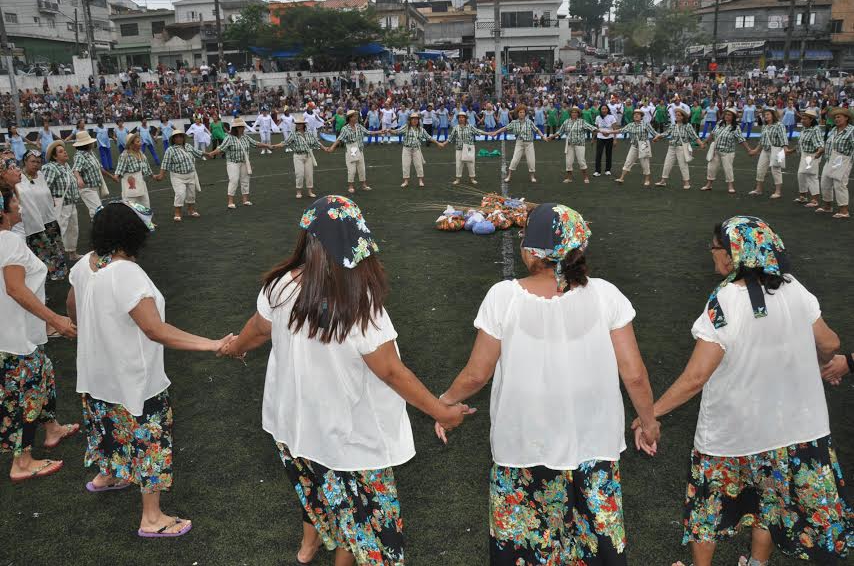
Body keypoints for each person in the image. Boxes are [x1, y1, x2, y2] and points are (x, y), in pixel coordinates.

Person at [219, 195, 471, 564]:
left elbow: (257, 331)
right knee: (372, 531)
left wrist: (235, 347)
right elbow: (390, 370)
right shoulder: (359, 301)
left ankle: (315, 546)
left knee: (327, 503)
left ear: (308, 239)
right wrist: (443, 412)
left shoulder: (279, 286)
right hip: (349, 441)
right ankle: (326, 547)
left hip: (296, 428)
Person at [437, 203, 659, 565]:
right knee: (594, 548)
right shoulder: (606, 294)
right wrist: (648, 423)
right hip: (593, 447)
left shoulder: (504, 297)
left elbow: (477, 374)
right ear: (579, 249)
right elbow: (634, 373)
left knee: (526, 548)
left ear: (529, 250)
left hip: (524, 448)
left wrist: (444, 402)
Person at [648, 216, 851, 566]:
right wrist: (826, 361)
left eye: (714, 248)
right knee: (768, 503)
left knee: (708, 510)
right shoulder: (793, 287)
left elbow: (696, 377)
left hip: (734, 433)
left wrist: (650, 413)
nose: (711, 255)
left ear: (731, 256)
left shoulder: (725, 300)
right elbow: (830, 341)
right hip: (796, 429)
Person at [67, 201, 231, 537]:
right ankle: (152, 518)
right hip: (132, 376)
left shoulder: (88, 265)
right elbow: (154, 329)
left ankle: (108, 475)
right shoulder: (126, 271)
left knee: (109, 426)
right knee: (150, 440)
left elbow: (72, 304)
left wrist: (93, 328)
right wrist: (211, 343)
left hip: (98, 372)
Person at [0, 172, 79, 484]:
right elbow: (16, 290)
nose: (19, 206)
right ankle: (22, 462)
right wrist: (54, 319)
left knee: (42, 377)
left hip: (16, 331)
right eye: (14, 201)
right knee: (24, 396)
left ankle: (52, 429)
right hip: (15, 336)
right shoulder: (9, 241)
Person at [14, 151, 67, 281]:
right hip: (34, 221)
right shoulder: (19, 178)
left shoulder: (41, 176)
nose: (36, 164)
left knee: (55, 246)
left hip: (49, 218)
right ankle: (48, 273)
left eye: (38, 162)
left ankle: (60, 270)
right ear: (25, 161)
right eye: (32, 161)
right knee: (43, 249)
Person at [206, 117, 273, 210]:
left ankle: (245, 200)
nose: (243, 128)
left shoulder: (246, 137)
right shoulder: (229, 138)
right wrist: (212, 153)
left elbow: (256, 143)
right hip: (233, 163)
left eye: (242, 126)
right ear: (236, 128)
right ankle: (230, 202)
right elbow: (221, 148)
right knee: (234, 180)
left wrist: (267, 145)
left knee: (245, 180)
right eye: (241, 126)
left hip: (244, 162)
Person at [42, 141, 83, 261]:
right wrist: (50, 203)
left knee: (72, 230)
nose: (65, 152)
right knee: (58, 232)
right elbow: (45, 188)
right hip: (59, 205)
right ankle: (54, 260)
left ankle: (72, 253)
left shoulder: (66, 166)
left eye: (63, 150)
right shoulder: (50, 167)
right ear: (54, 156)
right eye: (60, 151)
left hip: (71, 204)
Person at [383, 112, 444, 188]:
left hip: (416, 149)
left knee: (419, 165)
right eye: (413, 119)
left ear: (418, 120)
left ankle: (420, 180)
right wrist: (389, 130)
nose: (415, 120)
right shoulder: (406, 127)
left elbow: (429, 137)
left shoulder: (421, 129)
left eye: (416, 119)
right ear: (410, 120)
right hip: (406, 149)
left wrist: (438, 143)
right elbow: (397, 132)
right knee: (405, 165)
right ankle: (406, 181)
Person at [155, 130, 204, 222]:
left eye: (180, 136)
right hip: (177, 176)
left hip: (191, 175)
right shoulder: (170, 150)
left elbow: (198, 153)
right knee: (180, 194)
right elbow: (165, 163)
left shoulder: (188, 146)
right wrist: (161, 175)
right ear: (173, 139)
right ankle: (177, 213)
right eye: (176, 137)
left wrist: (209, 154)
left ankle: (191, 210)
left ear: (183, 137)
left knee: (191, 194)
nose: (179, 138)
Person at [491, 106, 549, 184]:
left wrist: (543, 137)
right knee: (514, 160)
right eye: (520, 112)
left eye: (523, 112)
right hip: (519, 143)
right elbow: (505, 128)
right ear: (517, 113)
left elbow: (537, 129)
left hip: (529, 143)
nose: (522, 114)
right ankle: (509, 176)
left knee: (531, 161)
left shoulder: (529, 122)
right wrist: (496, 132)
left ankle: (532, 176)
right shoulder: (514, 122)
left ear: (525, 113)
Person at [275, 115, 328, 199]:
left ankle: (310, 191)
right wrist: (275, 146)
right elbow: (285, 142)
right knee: (299, 174)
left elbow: (316, 142)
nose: (299, 125)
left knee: (309, 174)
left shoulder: (309, 133)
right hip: (298, 156)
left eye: (300, 124)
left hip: (308, 156)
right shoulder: (293, 134)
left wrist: (324, 148)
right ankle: (298, 191)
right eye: (297, 124)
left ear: (304, 125)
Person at [815, 106, 854, 219]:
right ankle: (827, 206)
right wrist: (820, 152)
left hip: (843, 159)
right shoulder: (833, 129)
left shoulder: (851, 130)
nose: (836, 119)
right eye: (835, 117)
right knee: (825, 182)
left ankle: (844, 211)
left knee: (840, 184)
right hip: (830, 158)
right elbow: (828, 143)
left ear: (846, 118)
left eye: (839, 117)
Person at [701, 108, 752, 194]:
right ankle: (709, 185)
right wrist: (705, 142)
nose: (727, 116)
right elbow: (712, 133)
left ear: (733, 117)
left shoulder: (735, 127)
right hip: (716, 150)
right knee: (711, 168)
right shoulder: (719, 123)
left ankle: (730, 186)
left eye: (729, 115)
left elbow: (741, 139)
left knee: (728, 169)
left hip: (728, 152)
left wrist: (749, 150)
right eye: (726, 114)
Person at [655, 107, 705, 190]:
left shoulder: (687, 126)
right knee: (667, 164)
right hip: (671, 147)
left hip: (681, 148)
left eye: (678, 115)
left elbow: (694, 136)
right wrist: (658, 137)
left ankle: (686, 182)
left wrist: (701, 144)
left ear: (683, 117)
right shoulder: (673, 125)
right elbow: (666, 133)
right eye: (676, 115)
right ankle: (663, 181)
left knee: (683, 165)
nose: (676, 116)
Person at [611, 109, 662, 187]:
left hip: (643, 146)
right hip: (634, 146)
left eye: (638, 114)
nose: (636, 115)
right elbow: (621, 130)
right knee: (628, 161)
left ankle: (647, 179)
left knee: (645, 164)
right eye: (635, 114)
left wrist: (657, 138)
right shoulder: (630, 125)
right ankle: (621, 178)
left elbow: (655, 133)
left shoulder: (646, 124)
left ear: (641, 116)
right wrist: (609, 132)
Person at [548, 106, 598, 184]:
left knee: (581, 161)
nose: (574, 113)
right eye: (572, 112)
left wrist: (599, 133)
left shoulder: (582, 121)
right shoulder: (566, 122)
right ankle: (569, 177)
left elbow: (592, 128)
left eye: (576, 112)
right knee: (568, 162)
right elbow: (560, 131)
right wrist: (552, 136)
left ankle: (585, 176)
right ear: (570, 113)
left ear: (578, 114)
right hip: (569, 144)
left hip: (580, 144)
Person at [71, 131, 114, 219]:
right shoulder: (80, 155)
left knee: (96, 211)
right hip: (87, 188)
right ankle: (98, 229)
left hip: (95, 187)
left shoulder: (91, 153)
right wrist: (79, 178)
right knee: (97, 210)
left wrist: (112, 177)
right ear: (86, 144)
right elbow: (76, 169)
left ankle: (97, 229)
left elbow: (100, 168)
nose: (93, 143)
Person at [747, 109, 789, 199]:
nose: (766, 116)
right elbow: (762, 140)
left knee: (776, 170)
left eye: (767, 114)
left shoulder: (779, 125)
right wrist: (756, 150)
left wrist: (785, 148)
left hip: (778, 150)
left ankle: (778, 192)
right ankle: (758, 189)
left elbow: (783, 137)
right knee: (760, 169)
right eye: (764, 115)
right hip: (765, 150)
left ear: (773, 115)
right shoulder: (765, 126)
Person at [328, 110, 371, 195]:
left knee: (361, 168)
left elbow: (368, 132)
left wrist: (380, 131)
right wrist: (332, 147)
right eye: (354, 116)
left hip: (360, 149)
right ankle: (350, 186)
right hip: (351, 149)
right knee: (352, 169)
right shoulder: (345, 128)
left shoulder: (359, 126)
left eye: (356, 116)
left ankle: (364, 185)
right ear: (350, 118)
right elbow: (339, 138)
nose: (356, 117)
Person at [785, 109, 823, 207]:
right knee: (801, 174)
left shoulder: (816, 130)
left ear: (811, 120)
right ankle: (803, 196)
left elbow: (820, 144)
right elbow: (800, 144)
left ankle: (815, 200)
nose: (802, 121)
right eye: (802, 119)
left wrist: (819, 152)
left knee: (811, 175)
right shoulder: (804, 129)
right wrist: (791, 151)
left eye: (805, 119)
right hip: (805, 154)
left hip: (812, 155)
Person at [440, 112, 488, 185]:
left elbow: (478, 131)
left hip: (469, 148)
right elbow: (450, 138)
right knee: (459, 164)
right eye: (459, 117)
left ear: (465, 119)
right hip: (459, 149)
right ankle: (458, 179)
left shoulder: (470, 127)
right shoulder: (456, 128)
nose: (461, 119)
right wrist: (443, 143)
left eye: (463, 117)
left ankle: (472, 178)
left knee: (470, 164)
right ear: (458, 119)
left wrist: (489, 133)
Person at [114, 134, 158, 209]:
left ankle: (146, 220)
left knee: (145, 204)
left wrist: (153, 176)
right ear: (131, 144)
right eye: (138, 142)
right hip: (130, 186)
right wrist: (116, 176)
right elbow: (119, 169)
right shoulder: (125, 155)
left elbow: (147, 168)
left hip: (141, 183)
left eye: (140, 141)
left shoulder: (141, 154)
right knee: (130, 207)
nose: (140, 143)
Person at [594, 104, 618, 177]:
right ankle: (597, 171)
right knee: (598, 154)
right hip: (600, 138)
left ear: (608, 110)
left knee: (608, 154)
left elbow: (615, 129)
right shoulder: (598, 117)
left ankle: (608, 170)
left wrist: (615, 139)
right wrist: (593, 138)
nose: (604, 110)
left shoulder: (611, 117)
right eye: (602, 109)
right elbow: (596, 129)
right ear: (600, 110)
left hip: (609, 138)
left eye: (605, 109)